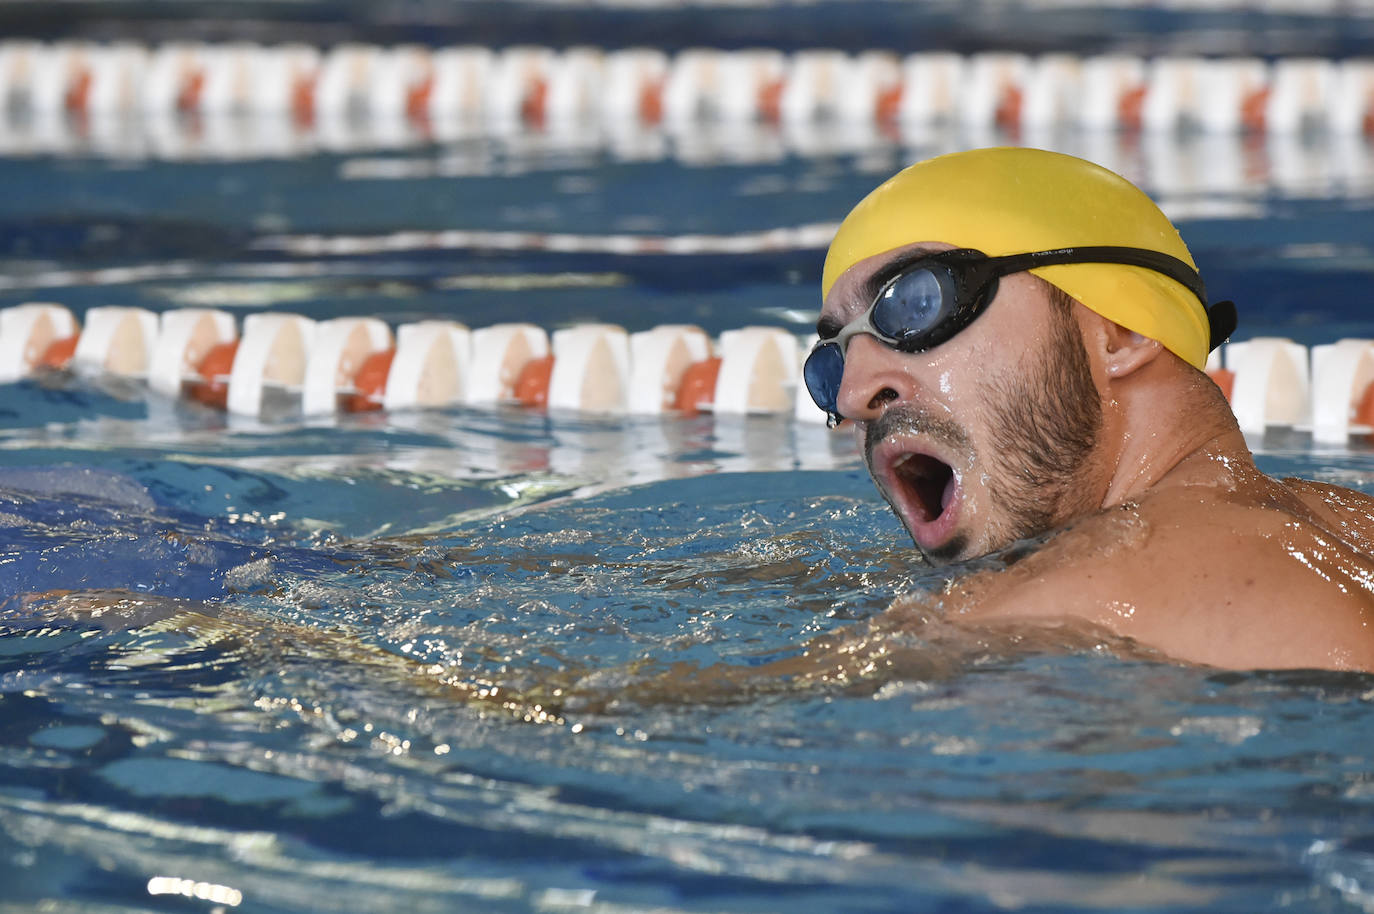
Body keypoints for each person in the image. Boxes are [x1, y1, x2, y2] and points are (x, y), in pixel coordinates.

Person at [805, 146, 1374, 673]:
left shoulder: (1055, 605)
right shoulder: (1348, 526)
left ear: (1123, 333)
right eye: (832, 359)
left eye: (916, 303)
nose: (854, 393)